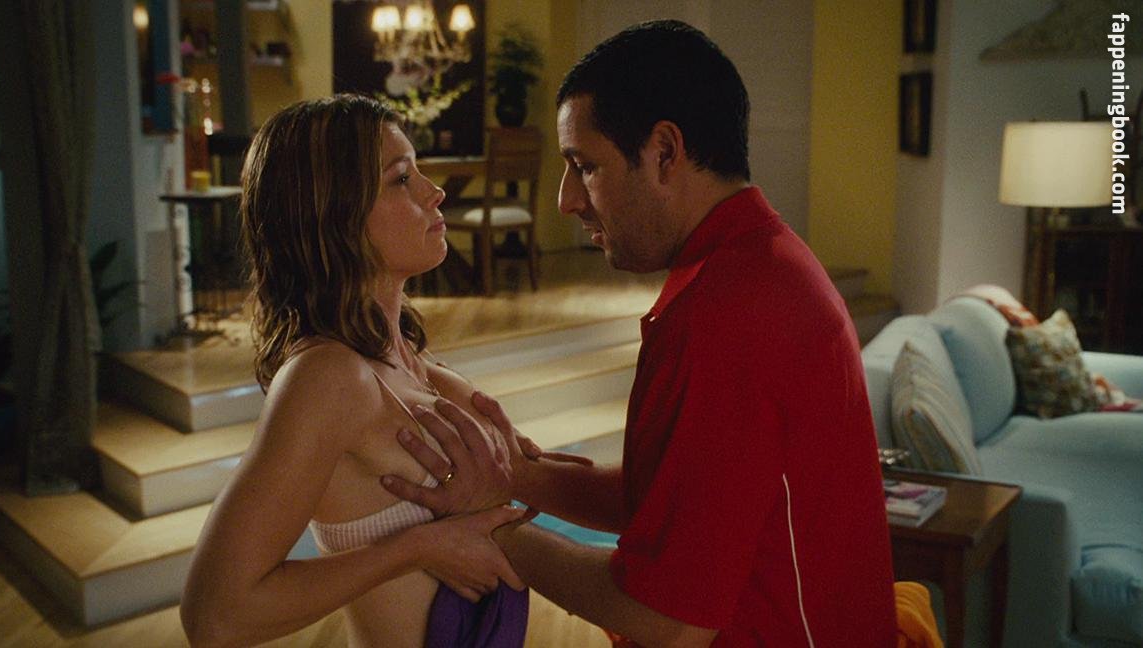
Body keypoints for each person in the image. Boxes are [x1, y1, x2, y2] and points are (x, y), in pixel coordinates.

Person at [384, 20, 897, 647]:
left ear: (663, 152)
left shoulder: (730, 314)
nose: (566, 200)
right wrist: (514, 475)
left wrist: (490, 531)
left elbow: (667, 623)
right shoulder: (758, 261)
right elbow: (680, 500)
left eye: (585, 166)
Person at [180, 94, 532, 648]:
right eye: (401, 179)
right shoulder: (327, 377)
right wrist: (417, 548)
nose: (434, 191)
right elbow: (215, 616)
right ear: (334, 216)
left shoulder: (411, 360)